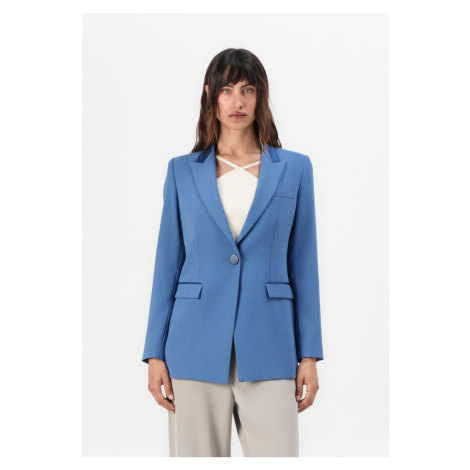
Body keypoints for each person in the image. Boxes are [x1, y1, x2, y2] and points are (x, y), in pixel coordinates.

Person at [142, 48, 324, 457]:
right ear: (211, 95)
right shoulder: (181, 171)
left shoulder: (295, 169)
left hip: (270, 343)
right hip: (193, 344)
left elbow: (304, 263)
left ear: (260, 96)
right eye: (226, 90)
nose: (237, 101)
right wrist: (155, 353)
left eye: (247, 90)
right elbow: (167, 265)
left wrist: (309, 354)